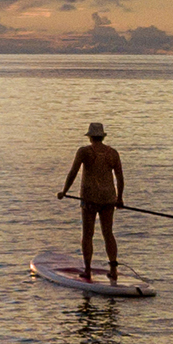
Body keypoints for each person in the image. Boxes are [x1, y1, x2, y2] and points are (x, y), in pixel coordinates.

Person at [59, 121, 125, 282]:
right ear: (102, 136)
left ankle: (88, 270)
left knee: (88, 235)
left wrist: (64, 191)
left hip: (89, 198)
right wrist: (120, 198)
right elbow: (120, 178)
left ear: (90, 137)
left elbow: (73, 172)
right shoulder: (113, 153)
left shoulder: (84, 152)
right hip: (109, 198)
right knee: (108, 233)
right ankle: (113, 270)